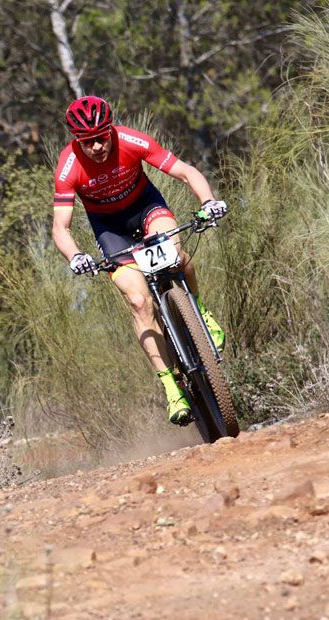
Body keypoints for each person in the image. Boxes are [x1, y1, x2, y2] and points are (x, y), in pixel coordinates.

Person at [51, 95, 227, 425]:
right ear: (76, 141)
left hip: (146, 208)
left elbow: (184, 171)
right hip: (110, 229)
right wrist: (76, 256)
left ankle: (201, 314)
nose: (97, 146)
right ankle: (171, 388)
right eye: (87, 141)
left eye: (102, 137)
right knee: (138, 301)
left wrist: (208, 201)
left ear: (111, 130)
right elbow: (60, 226)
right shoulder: (69, 166)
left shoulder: (131, 140)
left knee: (175, 256)